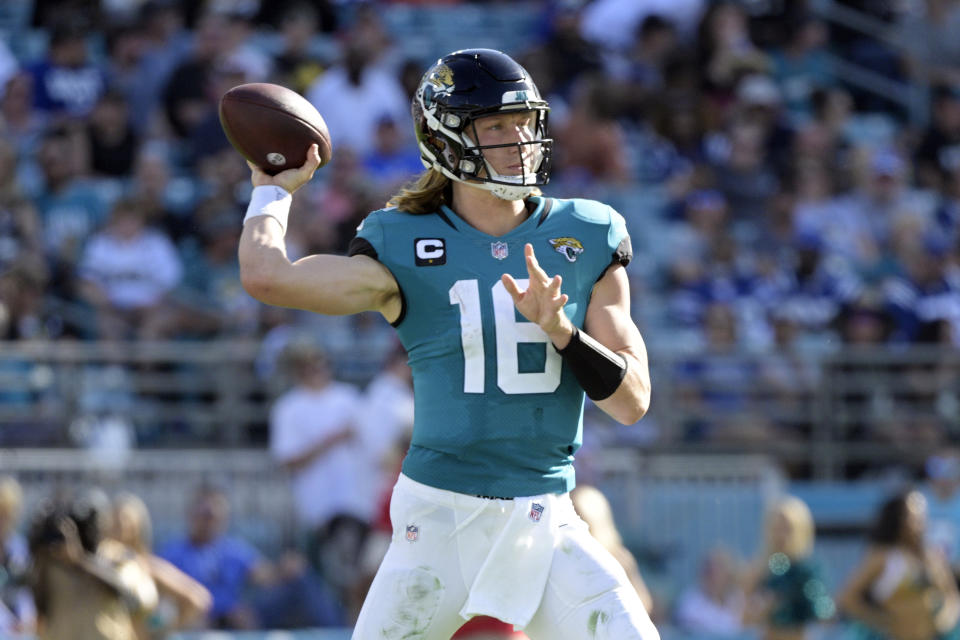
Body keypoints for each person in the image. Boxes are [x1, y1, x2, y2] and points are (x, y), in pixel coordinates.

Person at [238, 48, 655, 639]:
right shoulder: (402, 239)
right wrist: (272, 191)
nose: (517, 140)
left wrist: (563, 332)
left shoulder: (587, 230)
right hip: (438, 521)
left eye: (523, 122)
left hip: (547, 518)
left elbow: (632, 402)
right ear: (448, 140)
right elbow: (268, 277)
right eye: (495, 126)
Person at [838, 489, 960, 640]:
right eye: (913, 517)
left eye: (922, 516)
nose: (920, 522)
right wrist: (879, 620)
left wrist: (945, 618)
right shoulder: (882, 556)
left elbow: (950, 594)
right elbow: (847, 598)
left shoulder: (931, 557)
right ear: (898, 519)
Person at [110, 492, 212, 638]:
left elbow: (197, 599)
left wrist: (158, 630)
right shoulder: (96, 566)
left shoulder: (145, 567)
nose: (117, 528)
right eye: (113, 523)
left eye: (122, 523)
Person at [742, 496, 834, 640]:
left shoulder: (807, 570)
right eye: (776, 528)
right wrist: (763, 607)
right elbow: (743, 618)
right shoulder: (760, 567)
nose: (780, 535)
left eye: (787, 528)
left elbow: (825, 616)